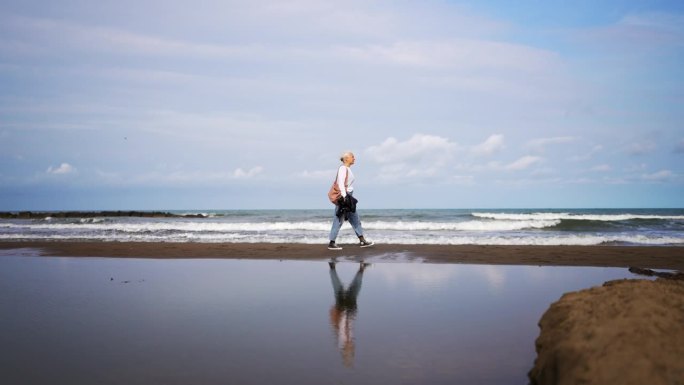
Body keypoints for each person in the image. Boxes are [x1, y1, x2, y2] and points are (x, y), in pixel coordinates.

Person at [328, 152, 374, 250]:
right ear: (346, 159)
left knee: (355, 218)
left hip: (348, 196)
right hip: (344, 197)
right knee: (338, 219)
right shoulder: (343, 168)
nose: (354, 158)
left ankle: (362, 240)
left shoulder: (348, 169)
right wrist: (344, 197)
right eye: (352, 157)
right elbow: (340, 183)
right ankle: (331, 243)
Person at [328, 261, 369, 367]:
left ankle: (333, 268)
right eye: (352, 349)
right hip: (347, 309)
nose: (353, 346)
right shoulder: (345, 340)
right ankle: (333, 268)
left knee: (343, 288)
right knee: (345, 288)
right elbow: (342, 326)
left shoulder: (344, 340)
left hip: (346, 309)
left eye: (350, 349)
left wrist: (344, 312)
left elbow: (343, 326)